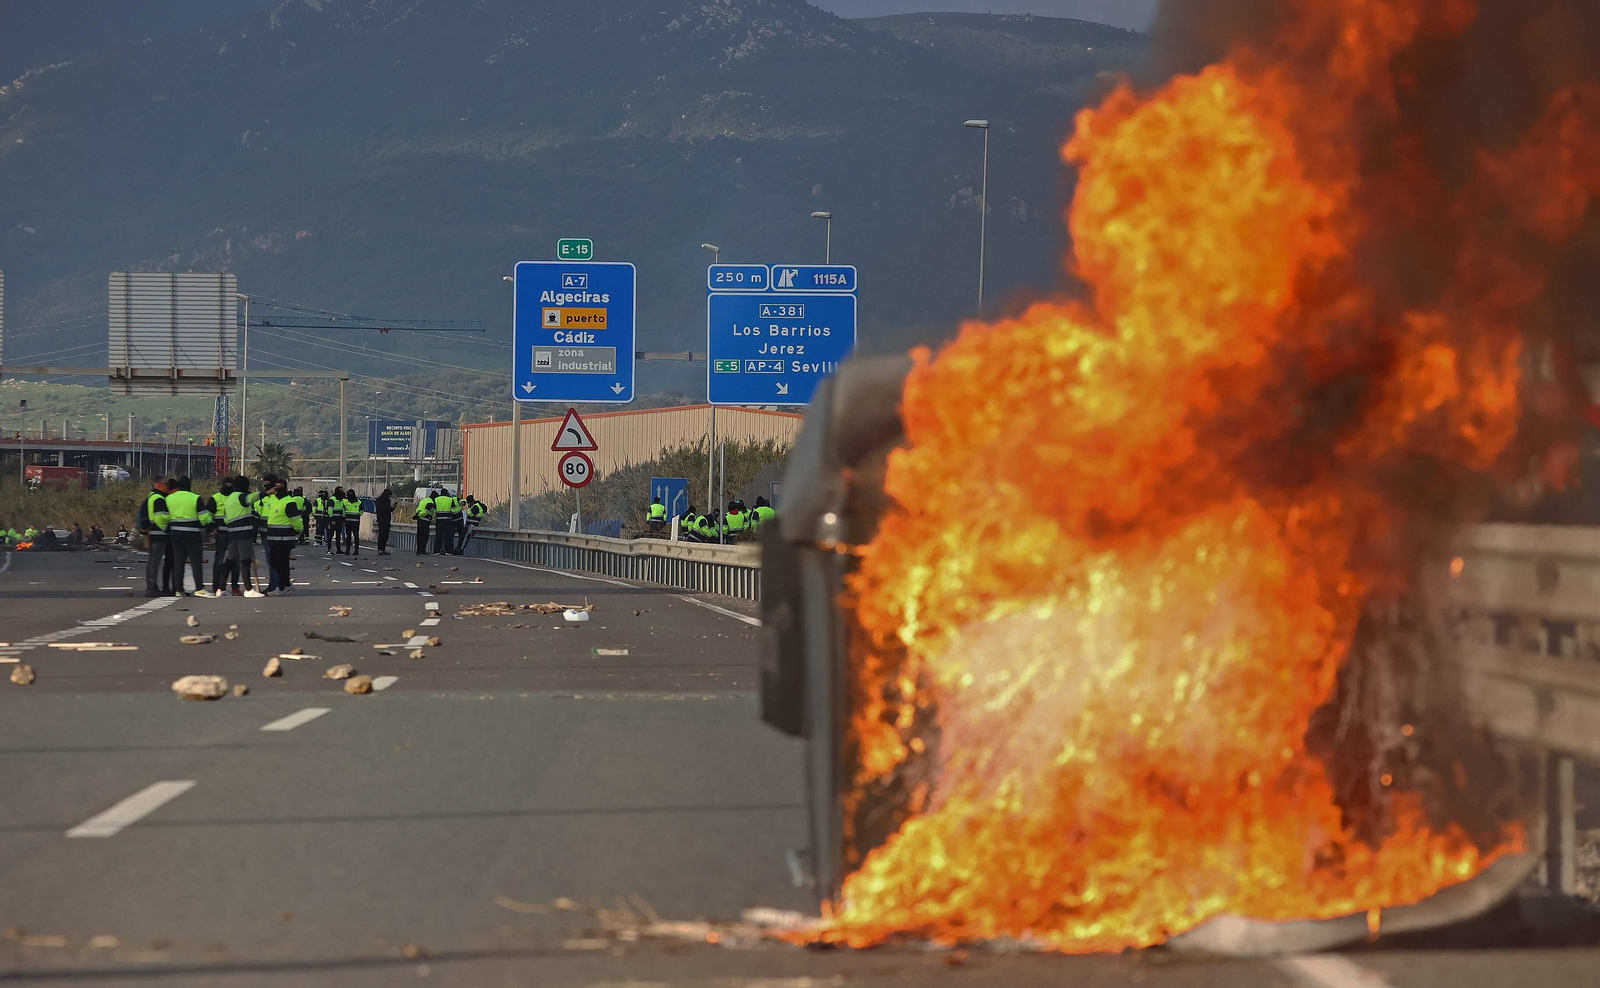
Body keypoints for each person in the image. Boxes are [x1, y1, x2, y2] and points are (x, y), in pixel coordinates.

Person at [163, 476, 214, 597]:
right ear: (190, 485)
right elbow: (203, 518)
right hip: (192, 534)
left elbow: (165, 517)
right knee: (196, 562)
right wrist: (208, 524)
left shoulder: (169, 498)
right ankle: (199, 588)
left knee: (178, 562)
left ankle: (178, 590)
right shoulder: (195, 498)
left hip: (175, 533)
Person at [261, 479, 303, 594]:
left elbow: (296, 520)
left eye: (280, 486)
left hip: (286, 538)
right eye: (276, 486)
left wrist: (298, 531)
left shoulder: (289, 502)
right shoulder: (273, 500)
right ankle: (286, 584)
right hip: (273, 537)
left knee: (282, 563)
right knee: (275, 562)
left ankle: (282, 587)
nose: (278, 488)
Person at [140, 478, 175, 597]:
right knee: (155, 561)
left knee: (152, 561)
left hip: (152, 532)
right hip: (158, 533)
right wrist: (167, 529)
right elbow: (161, 518)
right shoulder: (159, 499)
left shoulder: (151, 496)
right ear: (160, 485)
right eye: (166, 484)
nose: (168, 487)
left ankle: (151, 586)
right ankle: (151, 588)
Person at [210, 477, 235, 592]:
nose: (229, 486)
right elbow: (207, 515)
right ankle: (217, 587)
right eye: (227, 484)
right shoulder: (216, 498)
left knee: (234, 561)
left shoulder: (235, 498)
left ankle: (234, 586)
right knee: (220, 560)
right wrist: (212, 528)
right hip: (221, 533)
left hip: (233, 532)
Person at [432, 488, 458, 555]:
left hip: (439, 520)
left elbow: (434, 510)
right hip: (448, 520)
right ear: (447, 493)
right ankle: (448, 551)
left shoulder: (436, 499)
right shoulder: (450, 499)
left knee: (438, 536)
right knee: (448, 536)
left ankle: (437, 551)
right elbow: (453, 510)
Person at [342, 488, 363, 557]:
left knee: (353, 536)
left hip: (351, 522)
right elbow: (361, 512)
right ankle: (353, 550)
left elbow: (361, 511)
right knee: (352, 536)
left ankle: (351, 550)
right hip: (354, 522)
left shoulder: (357, 502)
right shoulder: (358, 502)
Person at [414, 489, 435, 556]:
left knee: (419, 535)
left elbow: (418, 509)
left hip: (420, 521)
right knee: (425, 536)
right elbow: (426, 511)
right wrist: (419, 515)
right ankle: (422, 550)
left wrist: (417, 515)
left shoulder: (424, 500)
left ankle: (418, 550)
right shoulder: (430, 502)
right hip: (425, 520)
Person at [324, 487, 344, 554]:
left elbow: (343, 510)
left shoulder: (341, 500)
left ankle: (338, 550)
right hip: (333, 520)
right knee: (331, 535)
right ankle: (329, 549)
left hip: (340, 520)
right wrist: (331, 520)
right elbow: (330, 510)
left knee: (338, 535)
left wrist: (343, 519)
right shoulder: (332, 500)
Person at [375, 488, 393, 555]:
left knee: (386, 534)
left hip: (387, 518)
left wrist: (393, 508)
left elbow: (388, 509)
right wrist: (388, 508)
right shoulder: (379, 500)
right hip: (381, 519)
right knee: (382, 533)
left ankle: (383, 548)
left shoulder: (388, 500)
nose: (389, 496)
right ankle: (380, 549)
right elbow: (381, 509)